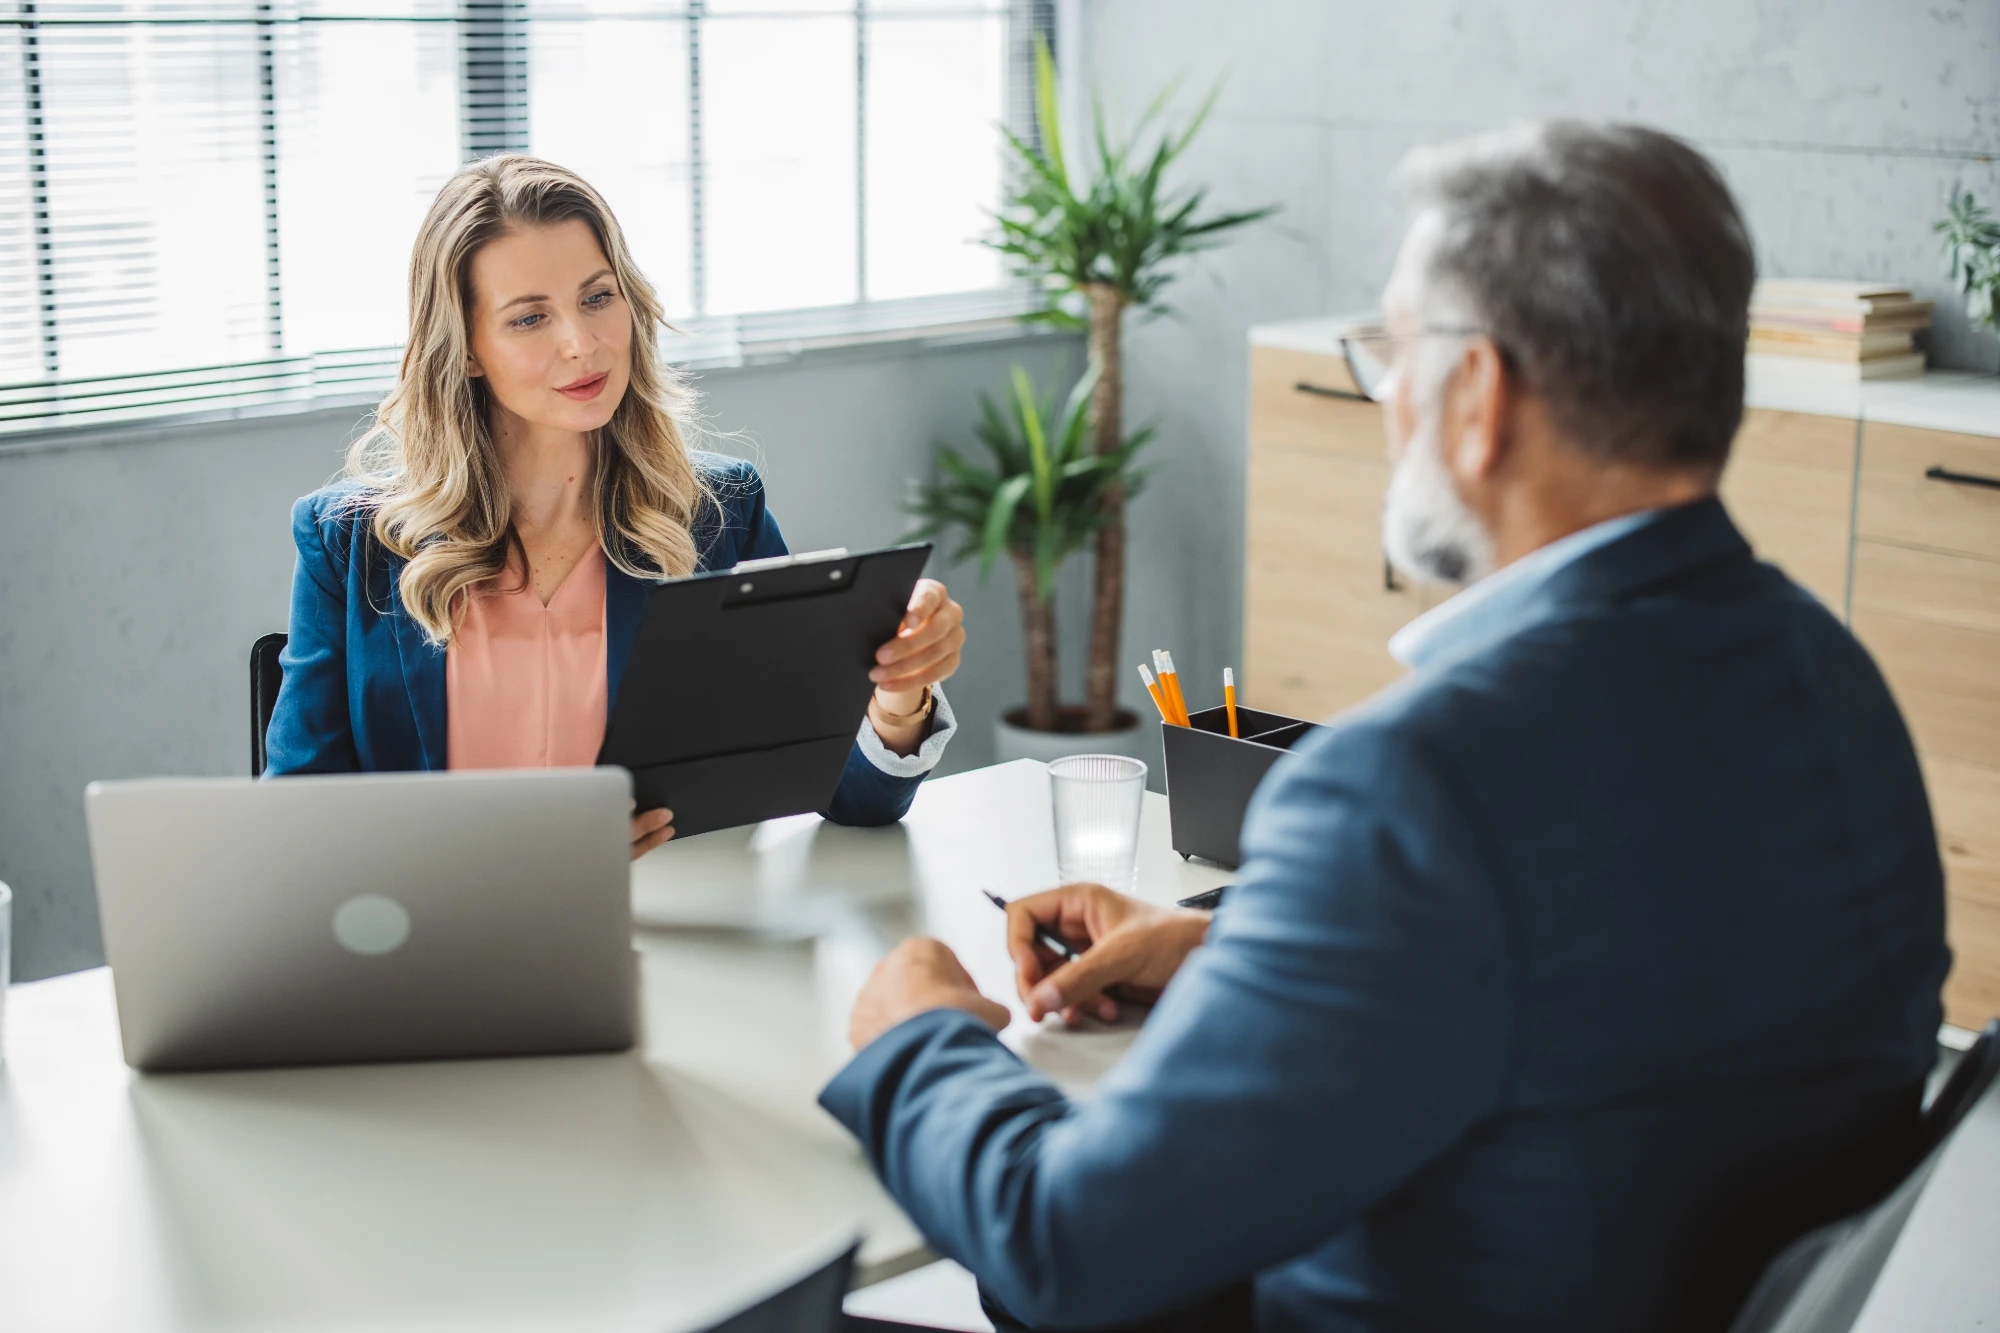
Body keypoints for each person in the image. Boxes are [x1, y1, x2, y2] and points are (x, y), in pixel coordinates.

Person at [819, 122, 1951, 1332]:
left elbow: (1066, 1247)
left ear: (1477, 394)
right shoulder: (1829, 678)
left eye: (1391, 356)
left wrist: (921, 1037)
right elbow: (1619, 980)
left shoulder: (1416, 783)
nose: (1384, 402)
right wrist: (1236, 948)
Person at [265, 156, 965, 854]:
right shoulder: (350, 542)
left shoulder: (718, 513)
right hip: (441, 946)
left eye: (598, 298)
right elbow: (295, 828)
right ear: (468, 349)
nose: (582, 342)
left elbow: (853, 796)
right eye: (530, 317)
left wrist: (900, 693)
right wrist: (532, 854)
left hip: (665, 938)